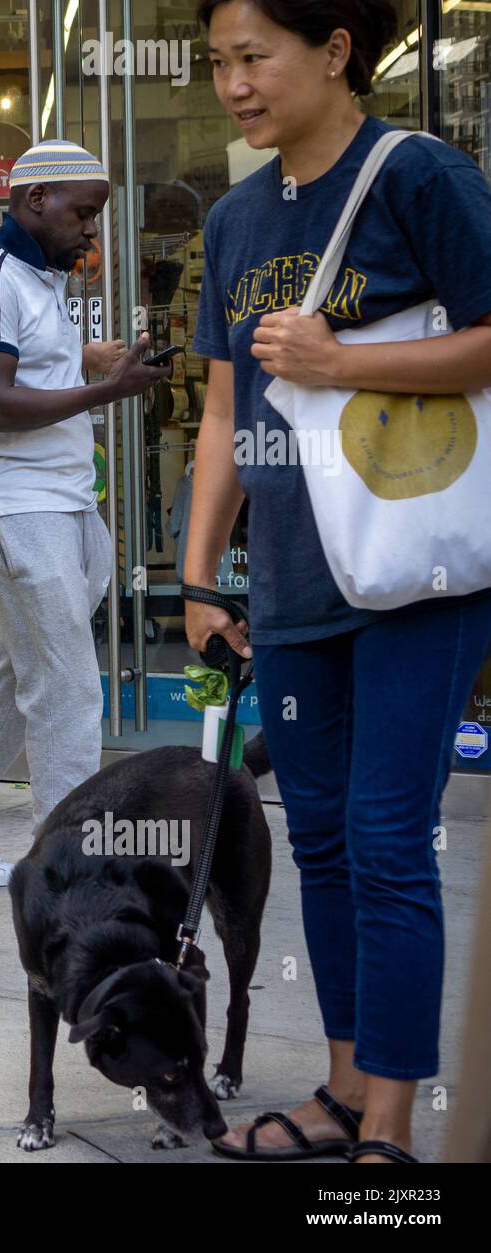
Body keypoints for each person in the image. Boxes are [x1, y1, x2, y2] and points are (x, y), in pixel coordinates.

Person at [190, 0, 491, 1163]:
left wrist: (341, 361)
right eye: (217, 63)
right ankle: (338, 1087)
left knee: (382, 835)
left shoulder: (419, 175)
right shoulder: (232, 217)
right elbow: (223, 407)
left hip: (417, 566)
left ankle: (390, 1126)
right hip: (295, 575)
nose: (234, 85)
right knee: (314, 834)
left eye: (253, 57)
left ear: (332, 52)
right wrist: (200, 568)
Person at [0, 140, 173, 887]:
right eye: (83, 213)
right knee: (70, 687)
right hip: (15, 507)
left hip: (58, 506)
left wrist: (100, 370)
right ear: (31, 203)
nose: (91, 230)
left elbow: (32, 377)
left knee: (17, 678)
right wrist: (105, 393)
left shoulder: (33, 279)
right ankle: (69, 871)